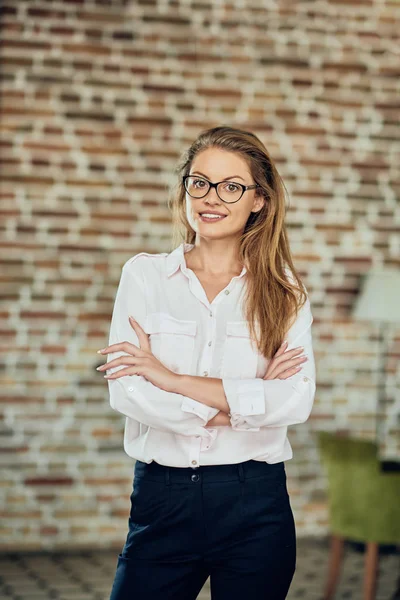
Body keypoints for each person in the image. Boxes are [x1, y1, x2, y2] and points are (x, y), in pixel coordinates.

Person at [97, 125, 316, 600]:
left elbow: (295, 402)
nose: (210, 198)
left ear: (259, 200)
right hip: (163, 499)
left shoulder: (286, 293)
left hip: (255, 503)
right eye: (199, 182)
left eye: (231, 186)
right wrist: (243, 406)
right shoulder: (145, 275)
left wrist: (171, 380)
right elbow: (128, 389)